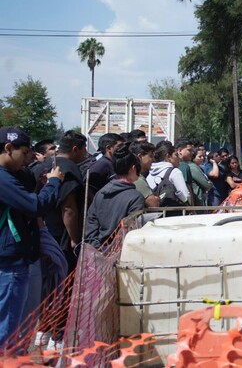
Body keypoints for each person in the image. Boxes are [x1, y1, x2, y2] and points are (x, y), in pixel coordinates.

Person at [0, 127, 63, 346]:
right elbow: (34, 205)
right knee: (8, 331)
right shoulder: (3, 179)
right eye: (24, 152)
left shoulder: (10, 176)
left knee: (14, 328)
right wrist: (54, 182)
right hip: (9, 264)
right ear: (8, 148)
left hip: (13, 261)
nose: (28, 159)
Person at [37, 130, 89, 272]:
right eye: (84, 148)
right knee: (63, 283)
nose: (86, 152)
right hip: (61, 237)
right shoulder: (69, 168)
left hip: (43, 233)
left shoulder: (44, 163)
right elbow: (68, 208)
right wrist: (74, 239)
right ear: (75, 149)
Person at [84, 144, 145, 248]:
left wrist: (98, 248)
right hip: (123, 252)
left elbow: (91, 223)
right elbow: (131, 230)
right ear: (133, 168)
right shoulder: (136, 197)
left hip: (99, 251)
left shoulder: (100, 193)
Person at [129, 141, 160, 207]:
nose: (153, 159)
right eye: (150, 156)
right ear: (140, 156)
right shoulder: (137, 179)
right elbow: (153, 204)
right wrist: (156, 199)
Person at [175, 139, 195, 205]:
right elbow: (187, 189)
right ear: (180, 151)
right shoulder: (184, 166)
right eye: (189, 150)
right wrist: (192, 209)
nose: (192, 153)